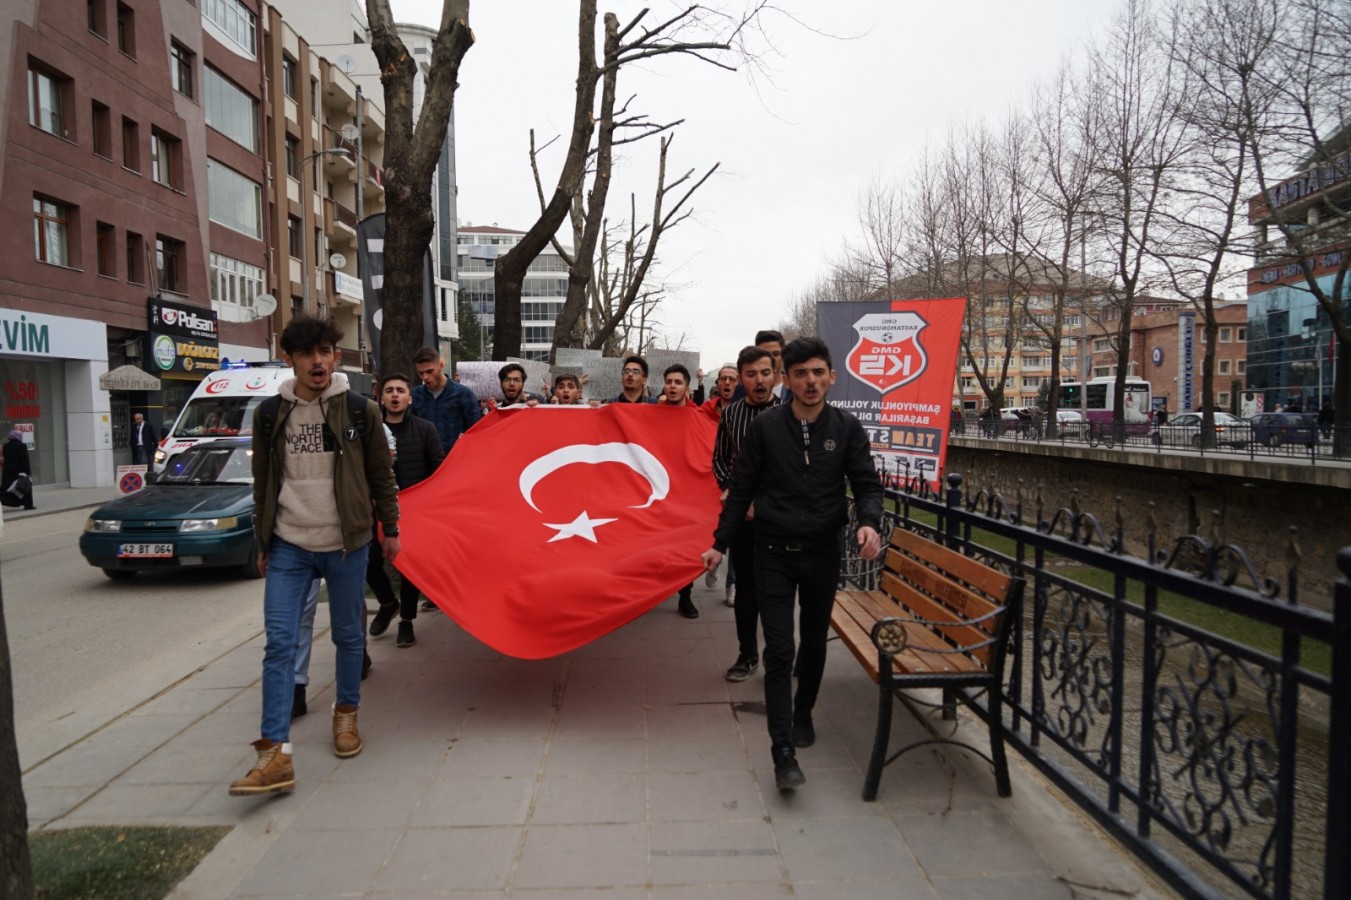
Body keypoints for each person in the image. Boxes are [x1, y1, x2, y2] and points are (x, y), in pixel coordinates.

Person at [701, 336, 883, 793]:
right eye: (800, 373)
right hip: (772, 553)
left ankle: (804, 714)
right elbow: (741, 487)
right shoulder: (765, 429)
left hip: (823, 552)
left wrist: (868, 522)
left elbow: (866, 482)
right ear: (788, 379)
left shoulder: (846, 428)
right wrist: (720, 544)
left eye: (818, 372)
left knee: (813, 647)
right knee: (779, 650)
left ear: (831, 377)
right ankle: (782, 750)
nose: (810, 381)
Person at [229, 315, 400, 797]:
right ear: (292, 360)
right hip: (288, 545)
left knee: (348, 638)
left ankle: (345, 717)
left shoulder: (360, 410)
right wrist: (263, 543)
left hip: (346, 545)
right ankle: (274, 756)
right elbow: (263, 483)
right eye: (307, 354)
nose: (318, 361)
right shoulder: (269, 414)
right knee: (279, 644)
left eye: (325, 351)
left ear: (336, 356)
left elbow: (380, 477)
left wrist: (393, 529)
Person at [711, 346, 782, 680]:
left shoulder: (789, 412)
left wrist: (764, 502)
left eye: (765, 373)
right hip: (743, 517)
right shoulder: (732, 414)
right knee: (747, 589)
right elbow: (720, 459)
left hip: (780, 518)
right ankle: (747, 654)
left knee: (777, 589)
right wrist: (731, 489)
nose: (759, 380)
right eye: (751, 374)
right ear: (741, 378)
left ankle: (778, 654)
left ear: (776, 376)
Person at [368, 373, 445, 648]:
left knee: (409, 568)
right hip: (373, 508)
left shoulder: (425, 429)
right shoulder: (369, 430)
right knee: (369, 561)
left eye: (401, 390)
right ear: (382, 397)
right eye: (389, 390)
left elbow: (438, 468)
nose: (395, 395)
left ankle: (406, 622)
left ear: (410, 398)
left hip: (413, 511)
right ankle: (388, 604)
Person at [659, 364, 704, 619]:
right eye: (669, 381)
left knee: (685, 547)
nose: (673, 386)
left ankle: (685, 596)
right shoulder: (652, 414)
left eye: (678, 382)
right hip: (659, 489)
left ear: (687, 387)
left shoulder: (697, 416)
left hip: (686, 490)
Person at [411, 347, 482, 454]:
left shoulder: (463, 394)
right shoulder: (415, 395)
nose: (425, 377)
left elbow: (476, 430)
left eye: (430, 371)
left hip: (456, 460)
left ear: (441, 365)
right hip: (425, 461)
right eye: (420, 373)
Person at [1, 431, 34, 510]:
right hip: (20, 471)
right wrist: (28, 472)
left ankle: (5, 501)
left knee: (6, 488)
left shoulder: (6, 446)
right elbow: (25, 460)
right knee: (25, 487)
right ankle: (28, 505)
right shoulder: (22, 446)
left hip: (8, 471)